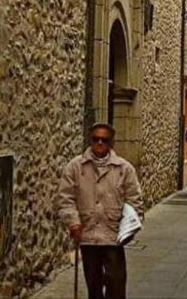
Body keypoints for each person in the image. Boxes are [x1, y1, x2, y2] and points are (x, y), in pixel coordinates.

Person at [58, 122, 143, 299]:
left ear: (111, 143)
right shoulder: (75, 167)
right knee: (93, 285)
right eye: (96, 139)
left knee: (116, 283)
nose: (99, 143)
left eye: (104, 140)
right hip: (87, 234)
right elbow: (66, 198)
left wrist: (130, 226)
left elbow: (135, 200)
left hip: (113, 235)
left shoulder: (124, 169)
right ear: (90, 141)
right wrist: (73, 222)